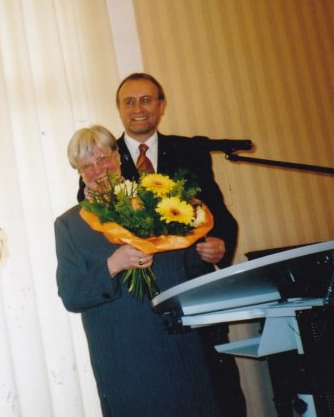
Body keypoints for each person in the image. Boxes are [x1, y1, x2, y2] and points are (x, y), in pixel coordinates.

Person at [77, 72, 246, 416]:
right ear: (119, 109)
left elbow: (220, 216)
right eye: (129, 101)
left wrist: (219, 245)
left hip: (195, 295)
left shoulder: (190, 151)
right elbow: (89, 225)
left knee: (219, 393)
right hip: (135, 306)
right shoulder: (102, 157)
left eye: (146, 99)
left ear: (160, 105)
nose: (138, 109)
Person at [55, 124, 221, 417]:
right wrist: (113, 265)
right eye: (87, 166)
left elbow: (189, 269)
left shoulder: (158, 202)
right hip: (125, 359)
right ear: (80, 173)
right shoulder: (71, 225)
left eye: (103, 158)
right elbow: (71, 294)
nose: (99, 170)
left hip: (181, 349)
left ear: (118, 156)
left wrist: (207, 254)